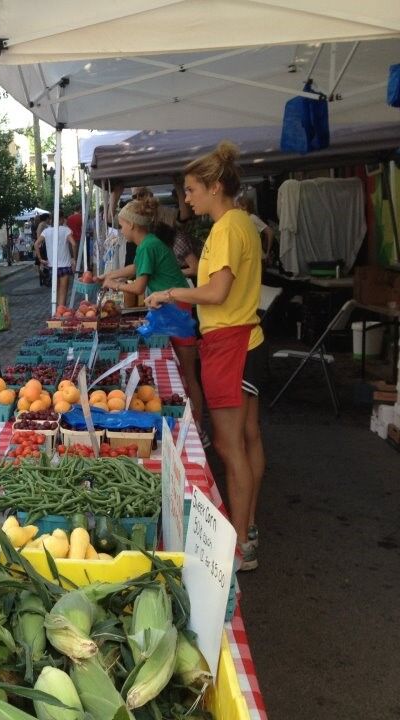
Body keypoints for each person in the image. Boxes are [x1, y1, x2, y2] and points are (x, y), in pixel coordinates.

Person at [145, 141, 267, 572]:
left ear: (215, 187)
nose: (187, 198)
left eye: (192, 190)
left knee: (232, 446)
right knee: (248, 440)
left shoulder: (230, 227)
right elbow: (214, 279)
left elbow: (217, 292)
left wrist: (170, 292)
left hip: (231, 343)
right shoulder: (236, 225)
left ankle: (240, 543)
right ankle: (248, 529)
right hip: (242, 340)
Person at [100, 197, 204, 427]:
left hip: (177, 310)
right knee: (181, 368)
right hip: (169, 308)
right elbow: (137, 267)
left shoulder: (148, 245)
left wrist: (114, 285)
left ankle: (198, 426)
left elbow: (137, 286)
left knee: (187, 372)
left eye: (121, 225)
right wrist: (108, 276)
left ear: (133, 225)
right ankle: (193, 421)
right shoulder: (148, 243)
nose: (121, 229)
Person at [36, 214, 76, 308]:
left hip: (52, 266)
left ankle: (58, 309)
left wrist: (40, 259)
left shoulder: (46, 231)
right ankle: (61, 310)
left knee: (56, 289)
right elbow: (73, 244)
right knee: (63, 290)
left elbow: (36, 243)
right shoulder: (65, 229)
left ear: (51, 220)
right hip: (65, 265)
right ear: (61, 219)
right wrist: (74, 258)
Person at [237, 195, 275, 261]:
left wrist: (267, 252)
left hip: (256, 257)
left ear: (244, 206)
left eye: (237, 207)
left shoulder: (252, 218)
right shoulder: (242, 219)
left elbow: (270, 232)